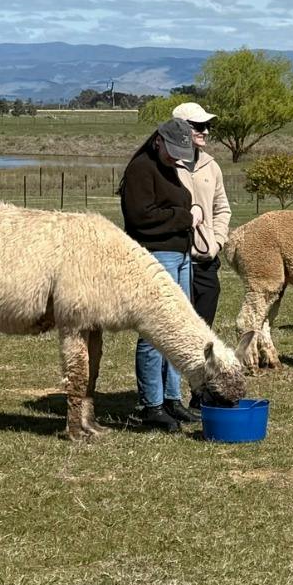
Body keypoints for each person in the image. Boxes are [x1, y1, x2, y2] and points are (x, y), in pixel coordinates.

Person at [118, 118, 206, 431]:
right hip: (156, 256)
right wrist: (187, 216)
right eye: (171, 151)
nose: (175, 157)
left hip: (180, 255)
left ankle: (171, 398)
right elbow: (141, 217)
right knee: (155, 333)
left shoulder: (168, 168)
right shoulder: (140, 169)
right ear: (158, 141)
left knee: (177, 330)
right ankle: (151, 404)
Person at [168, 101, 231, 328]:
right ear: (180, 128)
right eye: (198, 125)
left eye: (207, 125)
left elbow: (222, 208)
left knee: (204, 328)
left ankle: (201, 364)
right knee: (173, 327)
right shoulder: (167, 164)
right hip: (173, 256)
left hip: (205, 259)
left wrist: (218, 242)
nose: (205, 131)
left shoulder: (211, 166)